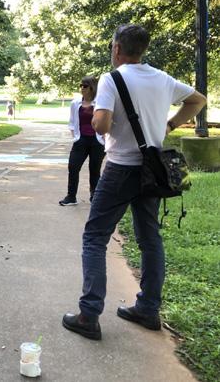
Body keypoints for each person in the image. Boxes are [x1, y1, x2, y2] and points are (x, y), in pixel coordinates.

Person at [62, 24, 206, 340]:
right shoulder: (163, 79)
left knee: (95, 237)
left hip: (120, 168)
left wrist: (102, 119)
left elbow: (101, 125)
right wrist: (170, 125)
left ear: (117, 48)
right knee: (149, 238)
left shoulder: (111, 79)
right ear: (143, 49)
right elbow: (198, 100)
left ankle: (89, 314)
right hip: (152, 170)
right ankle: (148, 309)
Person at [59, 76, 105, 206]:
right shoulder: (75, 103)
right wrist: (75, 137)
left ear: (92, 88)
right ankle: (71, 196)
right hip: (81, 140)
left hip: (97, 141)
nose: (82, 88)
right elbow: (72, 122)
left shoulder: (100, 103)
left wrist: (105, 139)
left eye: (85, 86)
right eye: (81, 85)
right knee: (73, 167)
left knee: (94, 169)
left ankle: (94, 196)